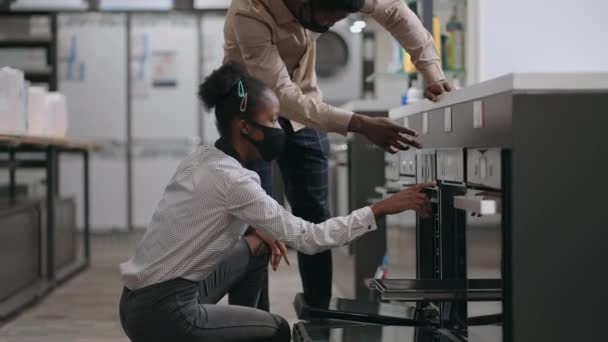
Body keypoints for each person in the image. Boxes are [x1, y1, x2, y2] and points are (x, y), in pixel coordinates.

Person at [118, 63, 433, 342]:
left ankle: (231, 331)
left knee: (257, 244)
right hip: (164, 314)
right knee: (276, 329)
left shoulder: (203, 159)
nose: (279, 130)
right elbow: (310, 239)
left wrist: (260, 228)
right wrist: (381, 208)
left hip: (136, 301)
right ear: (245, 127)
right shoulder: (235, 182)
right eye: (272, 121)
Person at [224, 0, 452, 308]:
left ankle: (318, 315)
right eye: (328, 13)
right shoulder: (249, 12)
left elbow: (396, 12)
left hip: (305, 110)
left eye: (341, 16)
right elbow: (282, 96)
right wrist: (358, 123)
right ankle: (251, 323)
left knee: (315, 214)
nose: (332, 23)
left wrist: (432, 72)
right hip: (251, 116)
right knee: (255, 225)